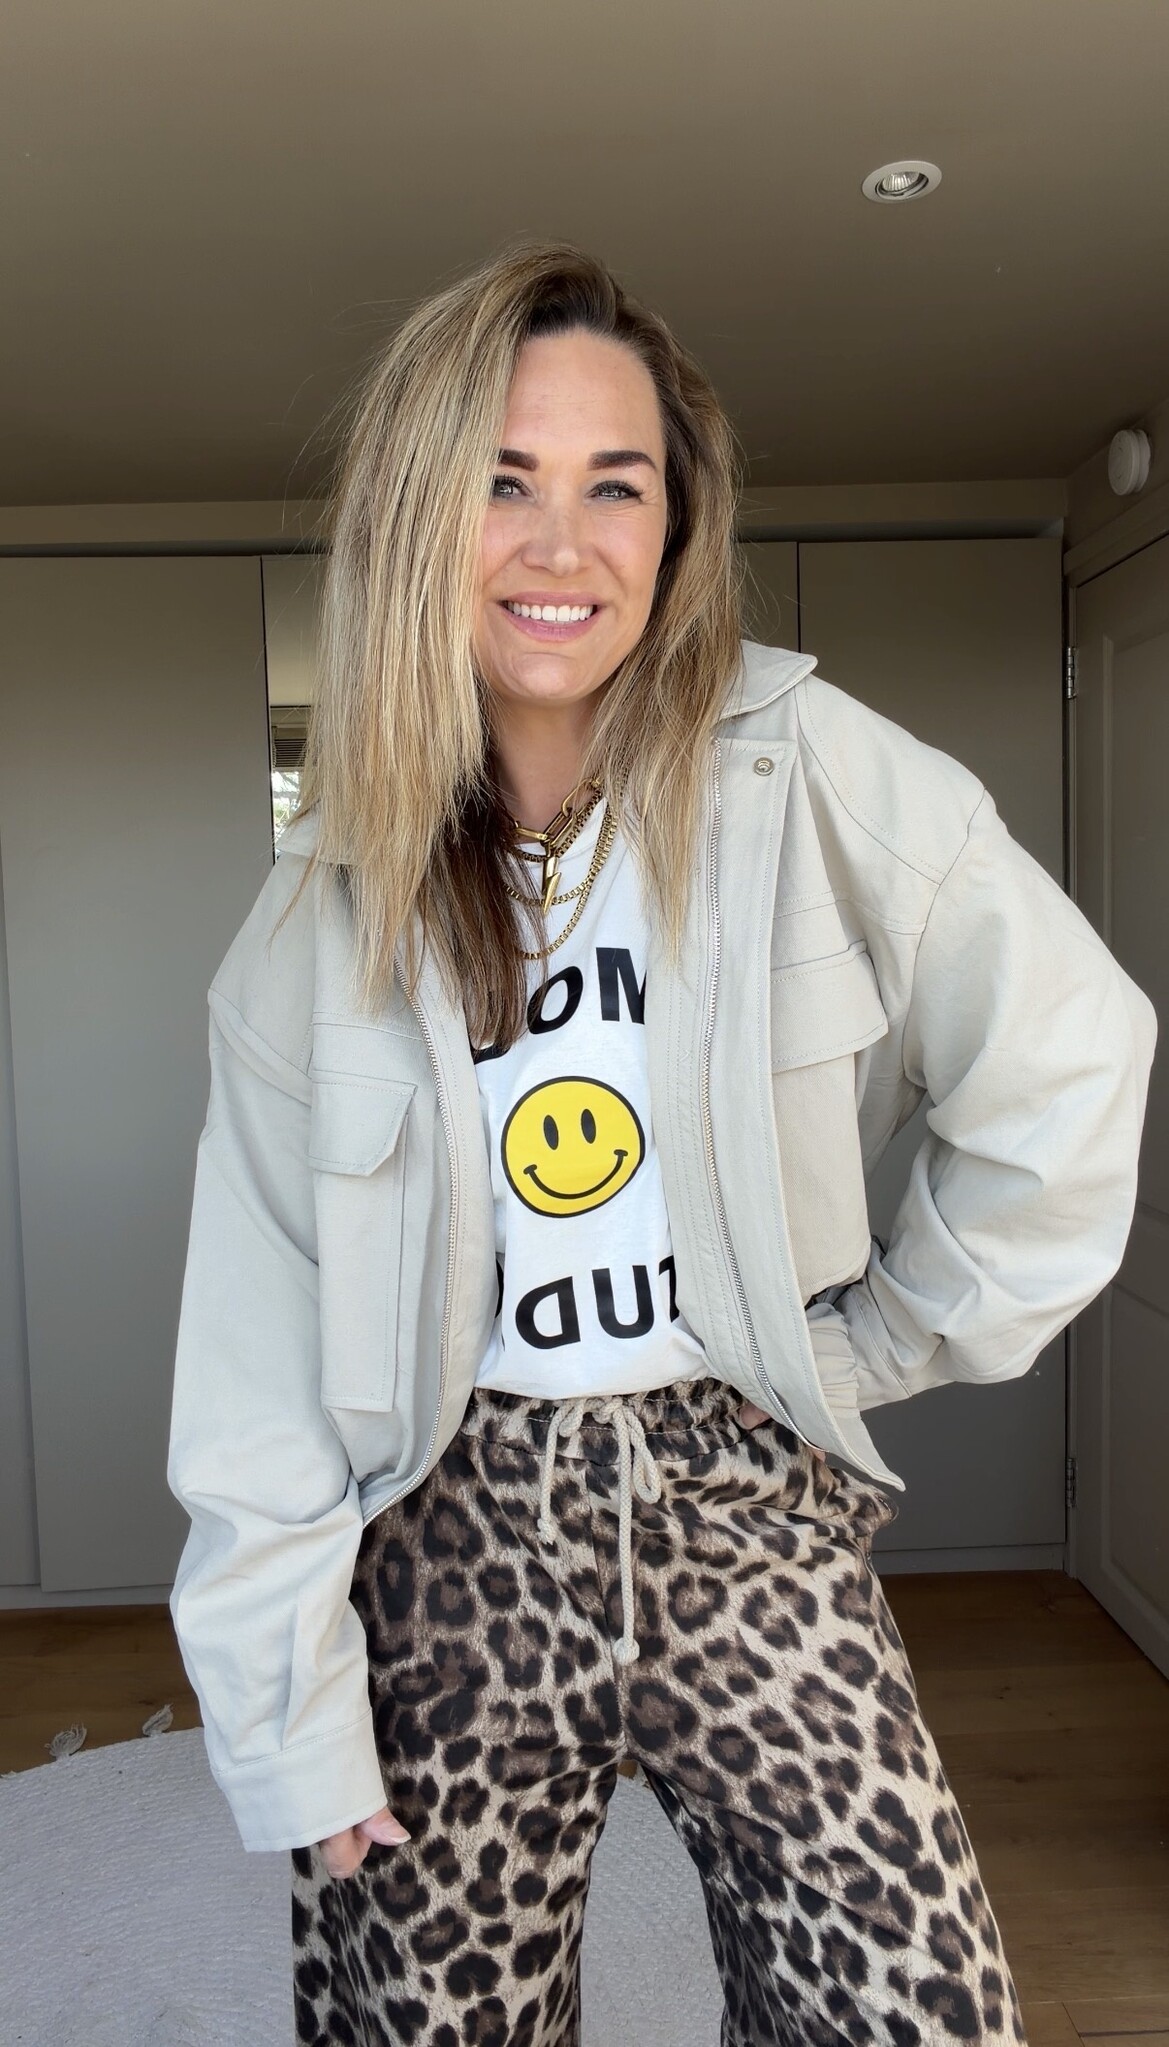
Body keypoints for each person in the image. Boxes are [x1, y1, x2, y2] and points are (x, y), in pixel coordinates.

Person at [166, 240, 1156, 2047]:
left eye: (613, 485)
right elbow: (256, 1364)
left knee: (913, 2007)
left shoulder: (804, 764)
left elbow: (1072, 1058)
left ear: (677, 527)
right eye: (502, 482)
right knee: (425, 2023)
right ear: (414, 519)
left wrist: (881, 1345)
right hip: (447, 1523)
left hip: (739, 1490)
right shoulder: (316, 917)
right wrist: (284, 1719)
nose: (561, 544)